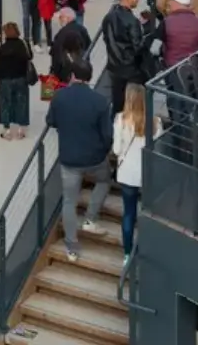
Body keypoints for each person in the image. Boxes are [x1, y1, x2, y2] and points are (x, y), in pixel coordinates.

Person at [47, 60, 112, 262]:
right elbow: (108, 135)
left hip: (69, 159)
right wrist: (102, 152)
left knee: (69, 201)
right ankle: (90, 218)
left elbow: (51, 121)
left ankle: (72, 247)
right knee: (104, 180)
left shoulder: (59, 96)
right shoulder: (101, 102)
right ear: (90, 77)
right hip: (94, 158)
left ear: (72, 76)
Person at [100, 0, 147, 113]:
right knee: (134, 106)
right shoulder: (131, 21)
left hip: (114, 68)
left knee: (117, 105)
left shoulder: (109, 16)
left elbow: (107, 39)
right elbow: (138, 47)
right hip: (131, 70)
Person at [112, 83, 150, 265]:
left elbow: (116, 149)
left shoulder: (121, 119)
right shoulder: (155, 122)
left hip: (127, 173)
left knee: (128, 213)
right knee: (147, 214)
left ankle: (127, 253)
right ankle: (145, 249)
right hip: (148, 174)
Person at [0, 22, 33, 140]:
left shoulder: (3, 48)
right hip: (21, 79)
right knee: (21, 102)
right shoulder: (22, 45)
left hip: (5, 80)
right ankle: (21, 130)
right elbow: (29, 58)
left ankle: (7, 130)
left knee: (5, 103)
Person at [49, 6, 90, 84]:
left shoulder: (61, 34)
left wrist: (54, 73)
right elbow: (88, 48)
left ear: (67, 18)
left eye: (61, 17)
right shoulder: (82, 29)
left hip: (65, 75)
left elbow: (56, 56)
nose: (59, 20)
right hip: (81, 73)